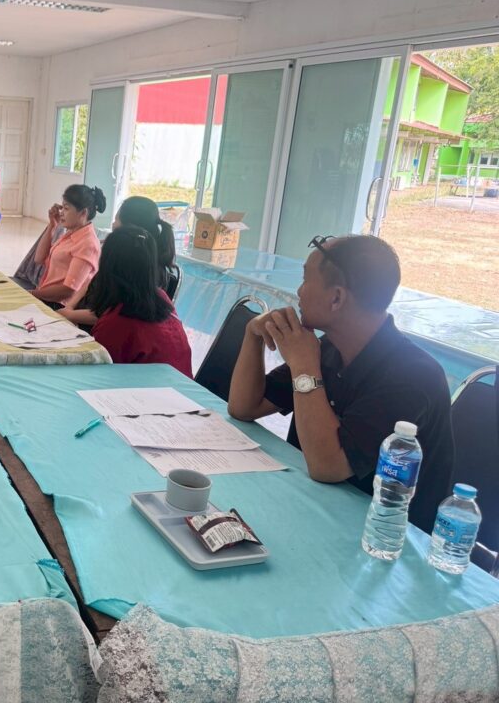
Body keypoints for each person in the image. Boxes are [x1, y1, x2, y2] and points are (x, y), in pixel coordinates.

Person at [226, 234, 454, 533]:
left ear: (336, 298)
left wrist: (304, 366)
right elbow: (244, 407)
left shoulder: (412, 377)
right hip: (313, 509)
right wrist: (253, 335)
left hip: (382, 538)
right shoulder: (330, 348)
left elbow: (328, 466)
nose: (299, 291)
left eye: (306, 280)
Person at [82, 226, 192, 373]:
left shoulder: (115, 323)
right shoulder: (162, 297)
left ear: (107, 265)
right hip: (181, 384)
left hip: (144, 386)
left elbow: (97, 373)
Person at [58, 196, 178, 327]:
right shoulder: (123, 255)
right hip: (80, 317)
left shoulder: (143, 269)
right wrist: (69, 307)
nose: (113, 225)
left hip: (99, 329)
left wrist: (70, 315)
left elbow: (112, 315)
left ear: (129, 228)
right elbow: (92, 282)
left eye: (116, 220)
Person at [30, 184, 106, 307]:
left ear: (83, 213)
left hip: (59, 305)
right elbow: (39, 258)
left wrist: (32, 294)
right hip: (46, 297)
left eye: (66, 208)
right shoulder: (71, 234)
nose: (61, 213)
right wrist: (52, 225)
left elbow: (68, 290)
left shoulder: (88, 244)